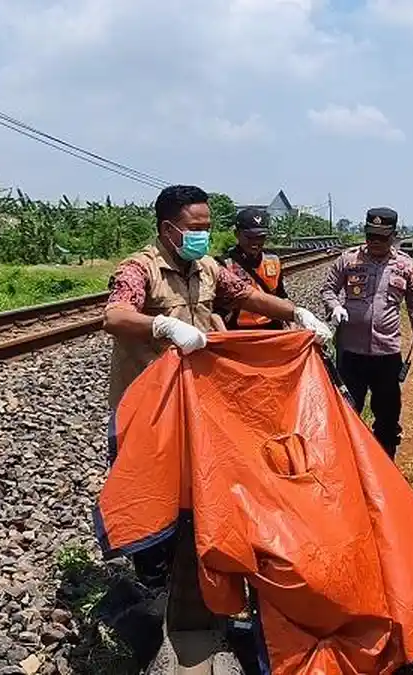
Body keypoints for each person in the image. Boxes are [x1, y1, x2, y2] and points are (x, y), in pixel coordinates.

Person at [102, 184, 331, 586]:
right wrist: (161, 323)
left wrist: (297, 312)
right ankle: (153, 583)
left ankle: (197, 569)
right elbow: (115, 316)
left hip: (197, 402)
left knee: (197, 486)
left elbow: (247, 296)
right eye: (196, 227)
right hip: (147, 406)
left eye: (208, 227)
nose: (203, 234)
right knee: (149, 490)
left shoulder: (206, 267)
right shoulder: (140, 269)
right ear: (168, 228)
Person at [320, 207, 413, 460]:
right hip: (351, 352)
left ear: (393, 236)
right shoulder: (349, 261)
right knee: (348, 411)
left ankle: (386, 464)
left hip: (387, 353)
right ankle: (349, 463)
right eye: (370, 236)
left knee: (387, 414)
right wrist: (335, 306)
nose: (375, 242)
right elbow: (328, 289)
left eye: (382, 237)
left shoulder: (405, 266)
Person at [219, 207, 291, 330]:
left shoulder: (273, 260)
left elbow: (281, 295)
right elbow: (217, 309)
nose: (255, 242)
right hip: (237, 330)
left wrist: (292, 323)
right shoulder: (224, 264)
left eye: (261, 237)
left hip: (272, 327)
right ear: (237, 234)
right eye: (249, 237)